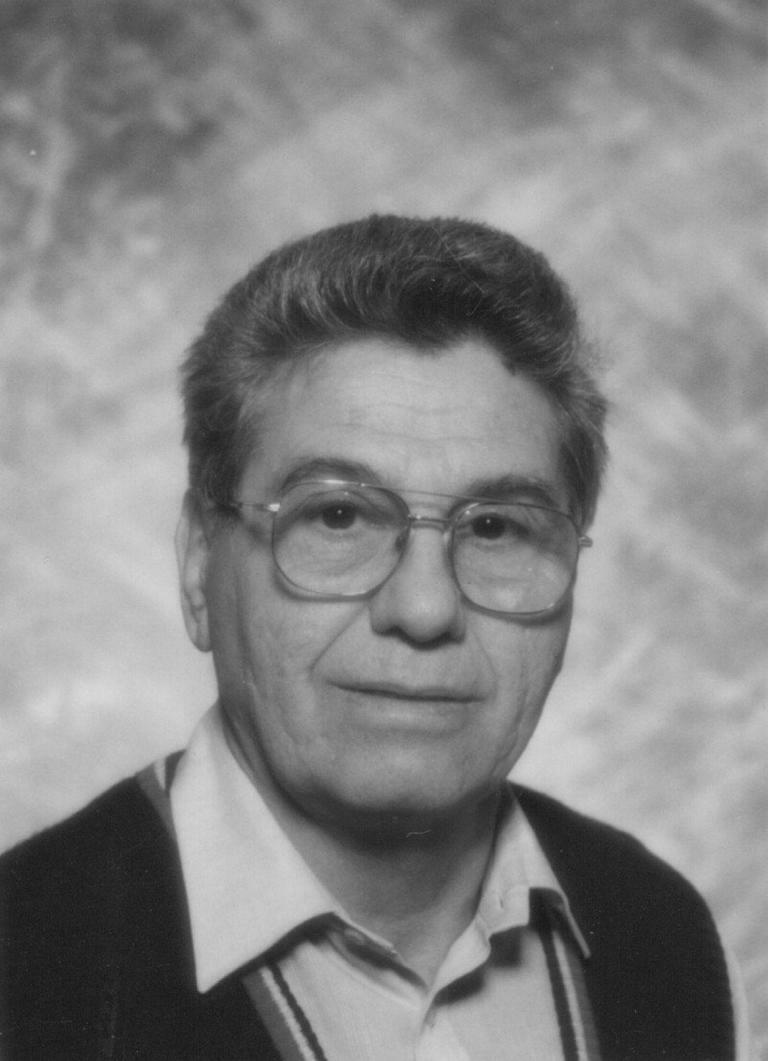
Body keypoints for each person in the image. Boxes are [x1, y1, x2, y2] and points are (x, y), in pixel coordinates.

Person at [0, 215, 746, 1059]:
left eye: (495, 526)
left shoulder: (669, 943)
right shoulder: (23, 971)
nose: (424, 608)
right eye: (338, 515)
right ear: (199, 563)